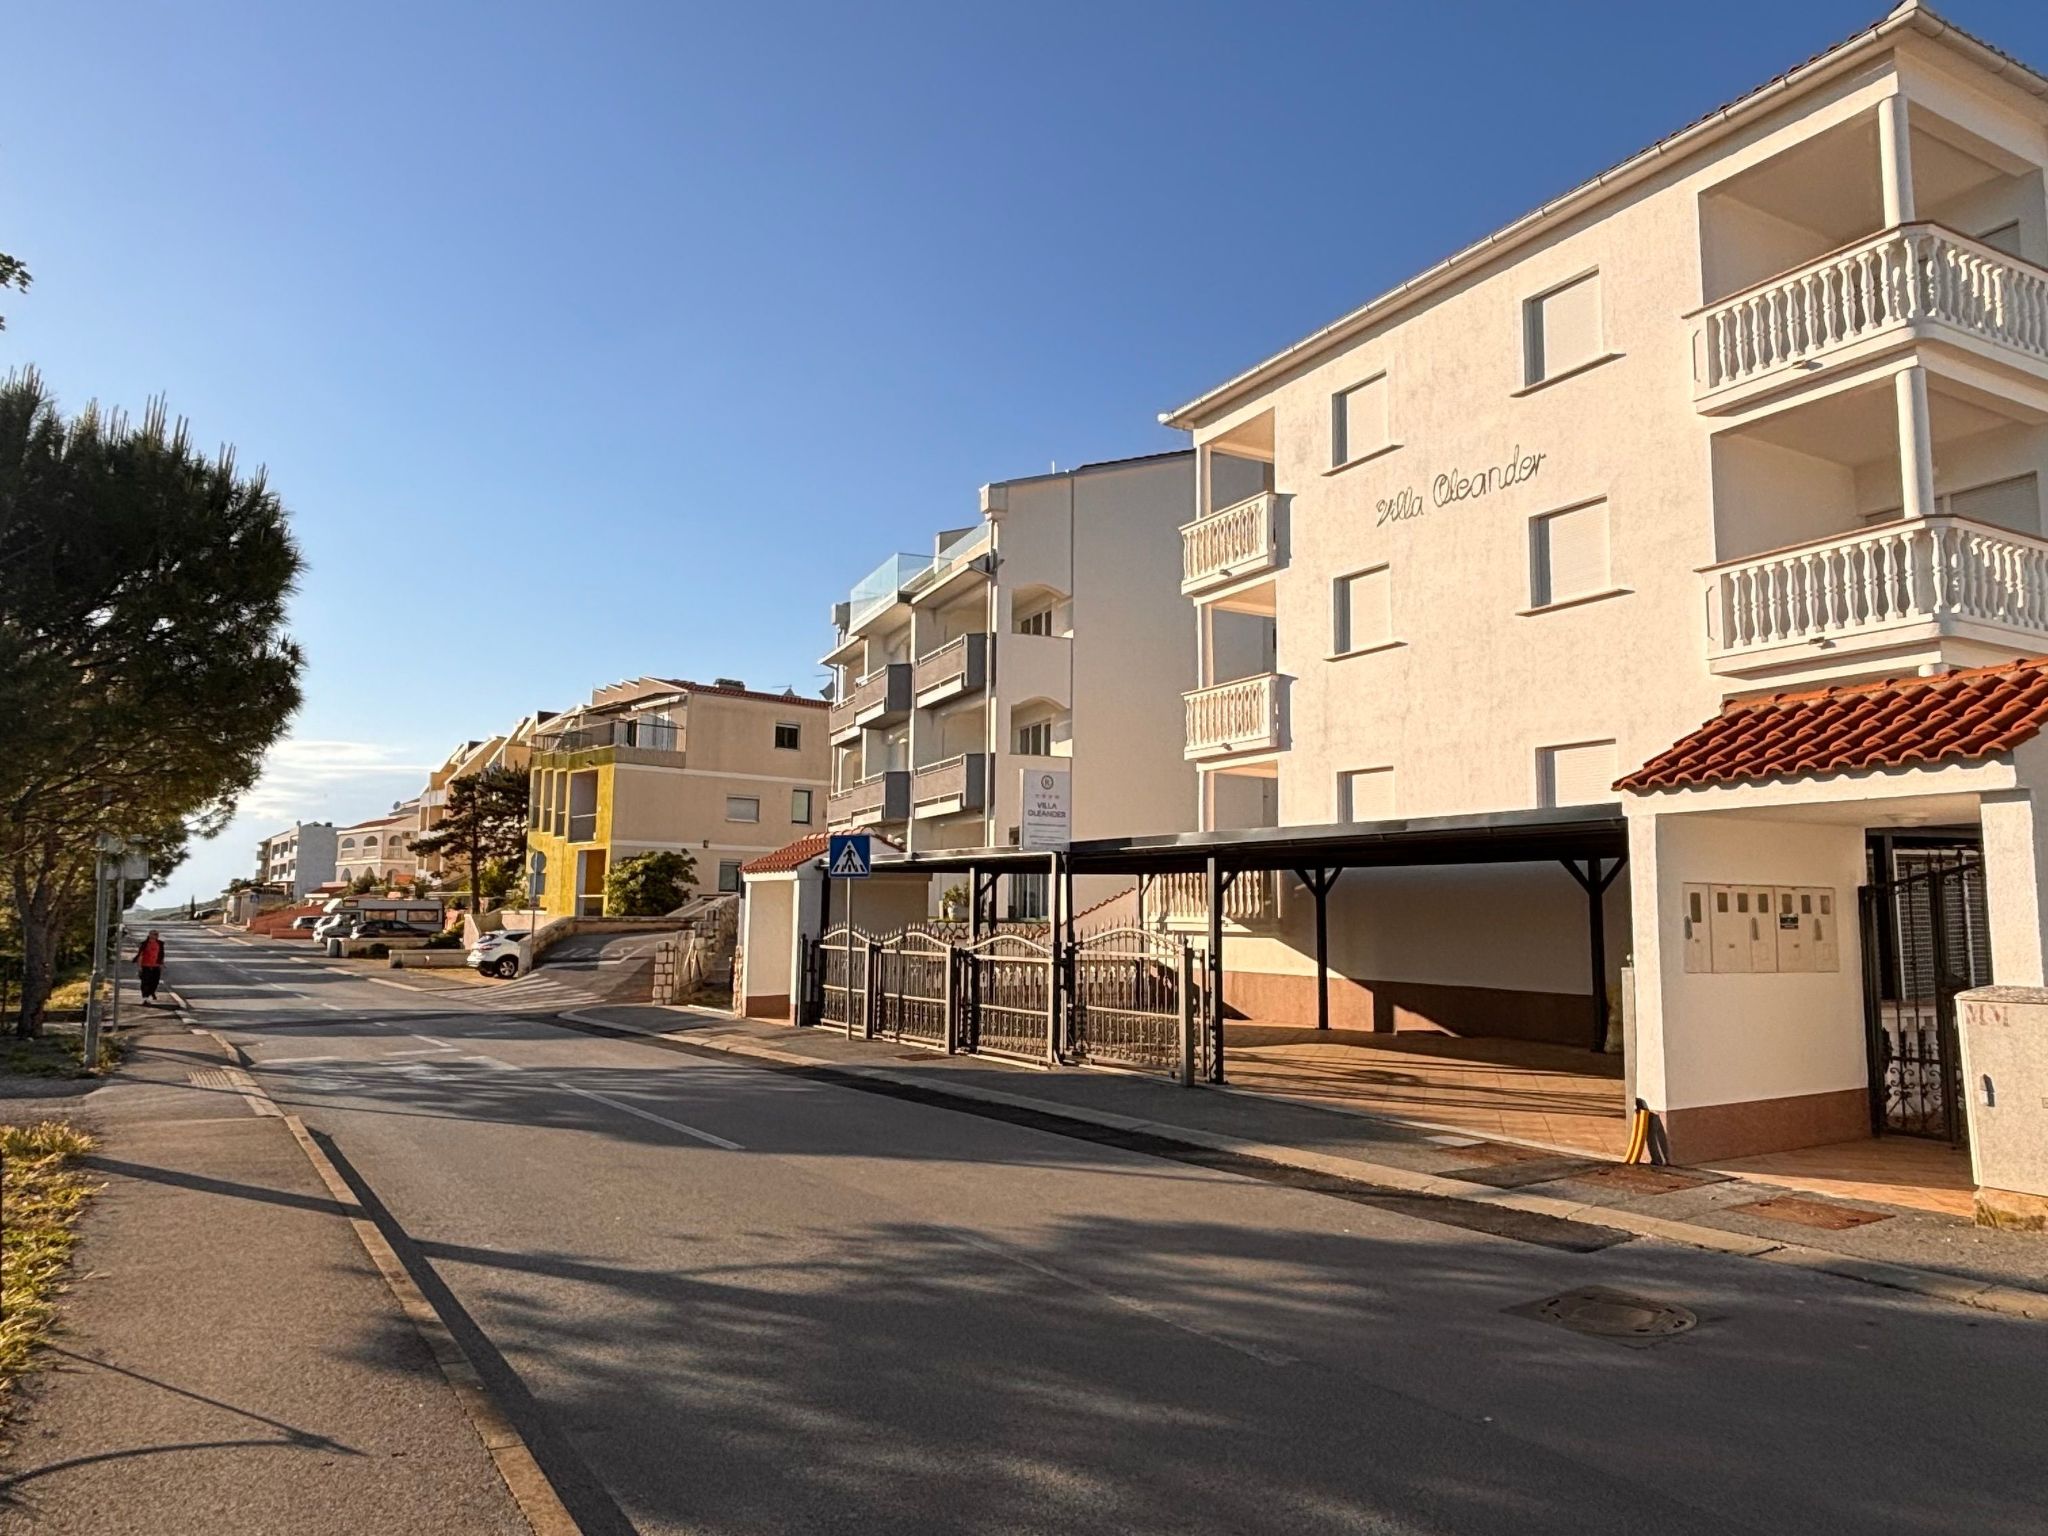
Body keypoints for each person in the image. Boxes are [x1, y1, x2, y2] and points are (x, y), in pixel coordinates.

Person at [135, 929, 165, 1005]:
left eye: (157, 934)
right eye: (154, 934)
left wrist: (162, 964)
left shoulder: (160, 943)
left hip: (156, 966)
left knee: (155, 982)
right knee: (145, 982)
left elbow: (161, 954)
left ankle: (151, 992)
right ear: (149, 935)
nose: (155, 936)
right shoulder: (144, 944)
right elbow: (140, 955)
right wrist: (139, 967)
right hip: (146, 966)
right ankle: (145, 998)